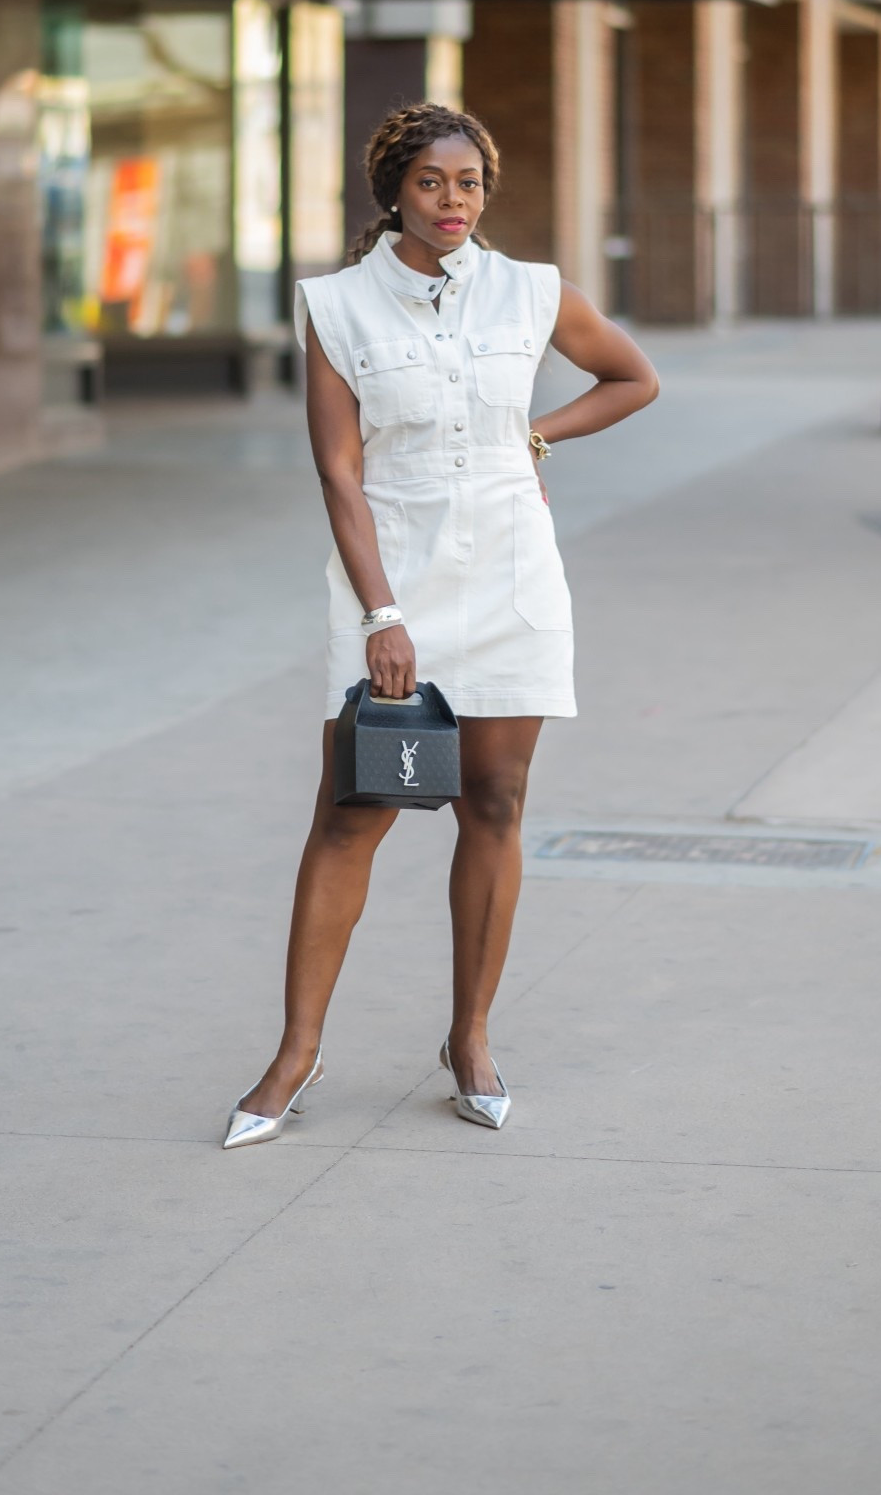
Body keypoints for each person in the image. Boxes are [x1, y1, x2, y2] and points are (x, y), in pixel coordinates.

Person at [223, 101, 658, 1147]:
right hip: (396, 576)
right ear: (392, 190)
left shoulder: (532, 291)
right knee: (352, 809)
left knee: (496, 804)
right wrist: (382, 611)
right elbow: (339, 470)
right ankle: (296, 1050)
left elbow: (633, 377)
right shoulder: (336, 306)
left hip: (512, 576)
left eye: (468, 182)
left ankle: (468, 1038)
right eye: (431, 182)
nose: (453, 201)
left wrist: (533, 441)